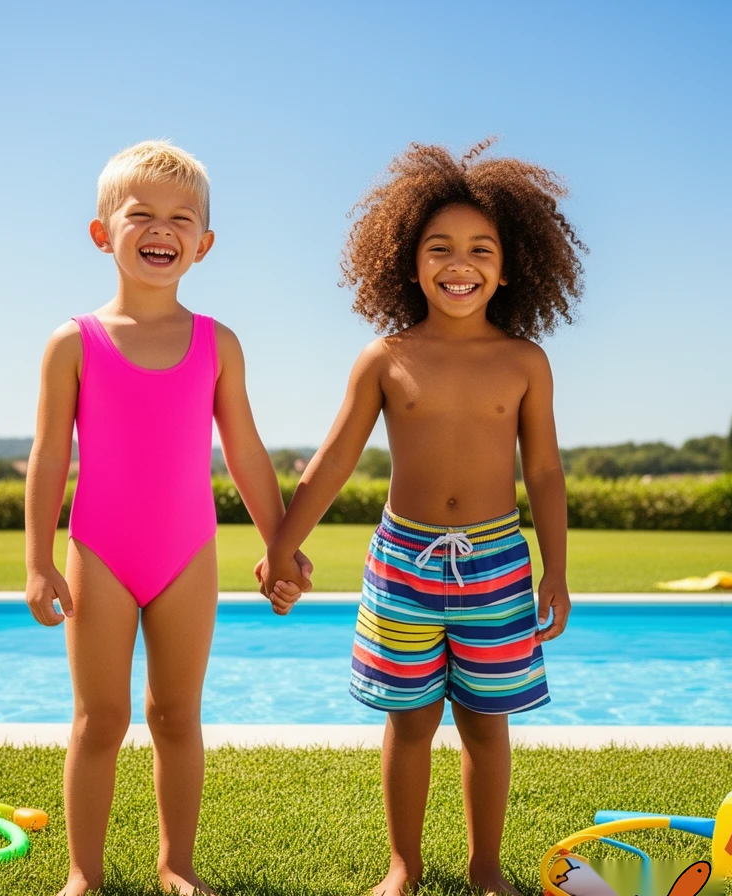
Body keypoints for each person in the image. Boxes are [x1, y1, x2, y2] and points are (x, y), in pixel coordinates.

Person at [260, 140, 585, 896]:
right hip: (402, 562)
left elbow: (542, 472)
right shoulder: (384, 357)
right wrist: (282, 547)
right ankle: (402, 865)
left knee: (484, 722)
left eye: (480, 249)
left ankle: (483, 867)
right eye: (439, 248)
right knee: (409, 722)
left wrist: (556, 572)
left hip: (498, 564)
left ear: (509, 267)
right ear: (409, 262)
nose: (458, 263)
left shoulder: (525, 361)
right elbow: (333, 460)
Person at [25, 140, 311, 896]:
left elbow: (245, 452)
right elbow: (50, 457)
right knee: (100, 718)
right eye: (141, 213)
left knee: (177, 715)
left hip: (188, 554)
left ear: (204, 244)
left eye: (181, 217)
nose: (162, 229)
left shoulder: (217, 344)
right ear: (101, 232)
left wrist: (281, 546)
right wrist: (38, 560)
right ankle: (83, 873)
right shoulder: (73, 344)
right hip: (100, 552)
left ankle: (175, 866)